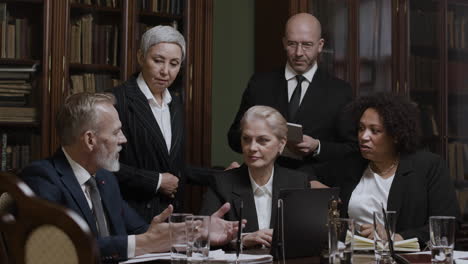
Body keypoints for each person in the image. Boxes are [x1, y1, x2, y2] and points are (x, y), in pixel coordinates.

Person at [20, 93, 239, 262]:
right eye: (116, 132)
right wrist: (142, 242)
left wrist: (197, 231)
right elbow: (61, 249)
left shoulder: (105, 178)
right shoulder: (42, 178)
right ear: (90, 140)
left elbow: (142, 232)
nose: (123, 139)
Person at [227, 13, 357, 185]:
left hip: (313, 185)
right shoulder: (260, 84)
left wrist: (317, 146)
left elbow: (353, 149)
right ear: (283, 43)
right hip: (263, 182)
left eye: (307, 45)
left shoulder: (340, 91)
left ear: (320, 45)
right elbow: (234, 138)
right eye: (292, 44)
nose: (298, 53)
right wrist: (261, 139)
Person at [330, 93, 460, 247]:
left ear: (396, 135)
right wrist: (318, 185)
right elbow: (309, 172)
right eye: (361, 128)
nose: (363, 137)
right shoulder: (352, 164)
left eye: (375, 131)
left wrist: (395, 237)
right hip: (355, 255)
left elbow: (447, 223)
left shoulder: (429, 166)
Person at [111, 25, 207, 222]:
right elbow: (99, 164)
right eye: (158, 61)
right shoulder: (116, 100)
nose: (165, 71)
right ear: (140, 57)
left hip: (172, 217)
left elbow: (174, 166)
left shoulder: (176, 103)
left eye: (174, 64)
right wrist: (156, 181)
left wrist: (224, 175)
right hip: (131, 217)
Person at [201, 106, 309, 248]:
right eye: (246, 139)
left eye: (262, 140)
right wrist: (241, 240)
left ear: (281, 144)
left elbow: (307, 238)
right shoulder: (221, 183)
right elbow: (201, 240)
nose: (252, 147)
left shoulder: (298, 182)